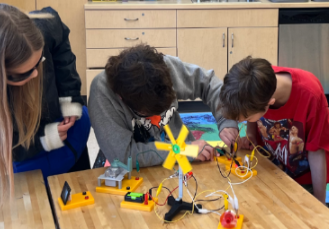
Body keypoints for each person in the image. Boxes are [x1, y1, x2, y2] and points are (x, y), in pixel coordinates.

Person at [0, 4, 90, 196]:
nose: (36, 74)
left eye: (39, 62)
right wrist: (41, 141)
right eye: (25, 73)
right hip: (26, 153)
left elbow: (62, 50)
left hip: (61, 132)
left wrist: (70, 99)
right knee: (38, 210)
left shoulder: (41, 27)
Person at [88, 44, 239, 168]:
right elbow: (123, 156)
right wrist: (182, 150)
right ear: (122, 97)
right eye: (148, 113)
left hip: (187, 161)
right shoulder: (102, 93)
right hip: (139, 171)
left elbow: (208, 83)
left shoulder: (162, 68)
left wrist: (226, 120)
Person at [219, 57, 329, 204]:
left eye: (247, 118)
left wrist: (320, 204)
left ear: (270, 103)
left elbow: (317, 152)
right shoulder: (257, 81)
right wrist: (250, 135)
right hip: (270, 167)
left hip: (303, 177)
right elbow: (251, 114)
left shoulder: (310, 95)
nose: (246, 121)